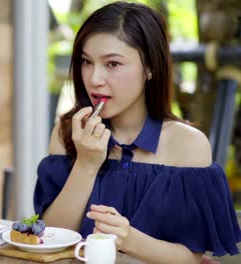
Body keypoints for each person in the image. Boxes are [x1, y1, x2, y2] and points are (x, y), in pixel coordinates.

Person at [33, 1, 241, 263]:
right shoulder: (68, 132)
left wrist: (129, 238)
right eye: (86, 61)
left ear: (150, 68)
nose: (94, 78)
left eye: (112, 64)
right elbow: (51, 237)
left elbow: (190, 258)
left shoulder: (187, 144)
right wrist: (86, 164)